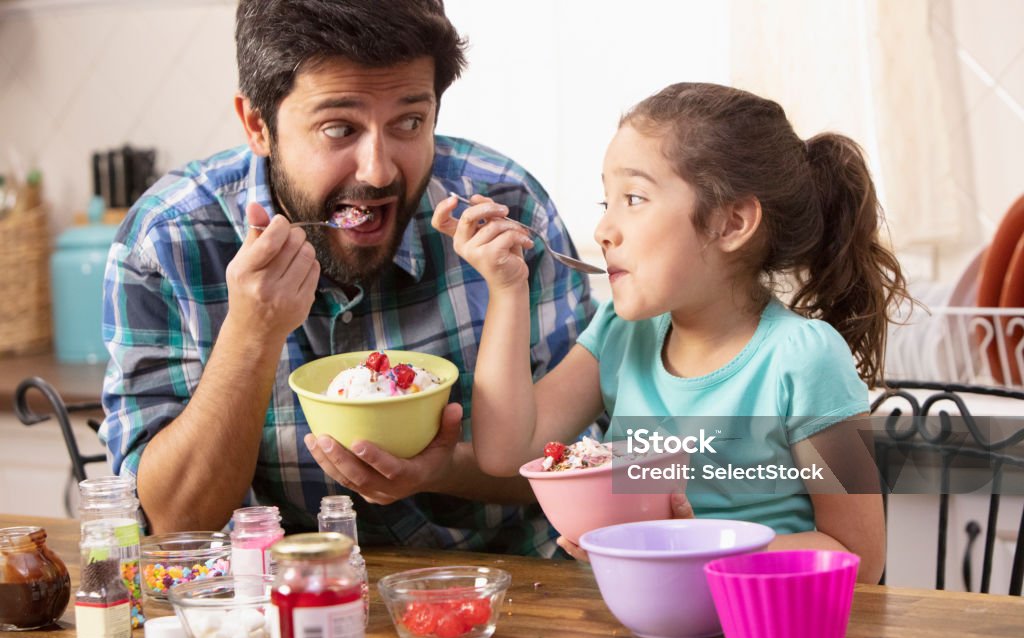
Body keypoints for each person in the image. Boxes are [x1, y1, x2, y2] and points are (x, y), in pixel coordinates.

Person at [98, 0, 595, 557]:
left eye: (410, 121)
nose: (379, 170)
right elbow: (171, 522)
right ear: (257, 125)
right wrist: (252, 334)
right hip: (275, 605)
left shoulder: (506, 210)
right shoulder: (168, 240)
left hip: (512, 588)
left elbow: (586, 460)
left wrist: (440, 469)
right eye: (339, 129)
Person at [432, 82, 909, 582]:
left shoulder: (805, 358)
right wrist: (507, 291)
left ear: (731, 223)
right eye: (605, 202)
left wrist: (682, 545)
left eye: (633, 198)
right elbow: (506, 451)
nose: (603, 231)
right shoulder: (621, 333)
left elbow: (859, 556)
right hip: (633, 629)